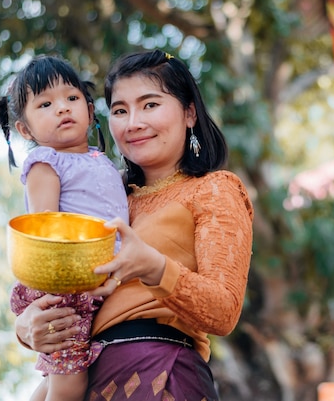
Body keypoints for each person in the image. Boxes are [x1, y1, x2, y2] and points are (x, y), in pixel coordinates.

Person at [14, 49, 254, 401]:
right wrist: (26, 328)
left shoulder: (213, 189)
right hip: (89, 376)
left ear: (189, 113)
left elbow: (223, 312)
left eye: (150, 105)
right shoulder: (104, 198)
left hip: (161, 373)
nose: (133, 123)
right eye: (120, 110)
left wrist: (154, 267)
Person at [0, 55, 129, 401]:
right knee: (71, 384)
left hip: (91, 280)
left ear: (88, 108)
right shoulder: (46, 162)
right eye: (45, 104)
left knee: (62, 375)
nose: (62, 109)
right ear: (24, 129)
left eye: (71, 98)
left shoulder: (102, 161)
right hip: (66, 286)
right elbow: (44, 229)